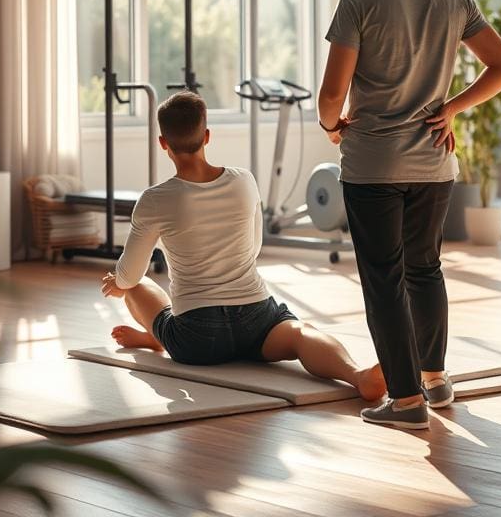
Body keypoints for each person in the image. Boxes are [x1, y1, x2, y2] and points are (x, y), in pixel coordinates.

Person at [318, 0, 501, 430]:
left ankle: (405, 402)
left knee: (383, 279)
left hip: (374, 167)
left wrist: (331, 126)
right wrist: (450, 108)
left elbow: (330, 95)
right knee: (425, 270)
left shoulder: (357, 3)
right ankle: (435, 380)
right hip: (434, 165)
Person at [100, 91, 386, 401]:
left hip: (197, 338)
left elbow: (129, 275)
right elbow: (254, 248)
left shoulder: (154, 199)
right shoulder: (243, 181)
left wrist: (118, 282)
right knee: (300, 334)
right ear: (206, 136)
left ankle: (160, 336)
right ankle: (357, 375)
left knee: (135, 284)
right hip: (257, 320)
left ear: (163, 143)